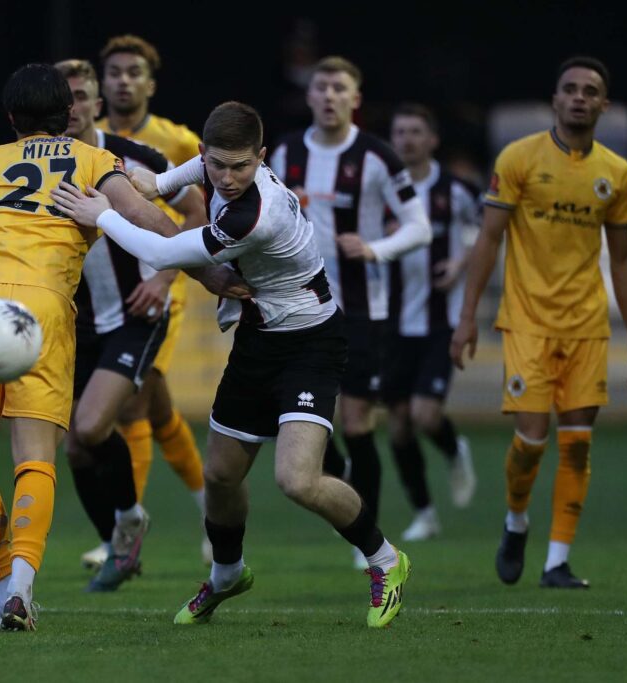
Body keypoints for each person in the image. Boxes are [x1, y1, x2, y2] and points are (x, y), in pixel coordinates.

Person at [0, 63, 242, 632]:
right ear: (69, 114)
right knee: (35, 456)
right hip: (42, 310)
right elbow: (151, 220)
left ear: (11, 118)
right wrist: (215, 277)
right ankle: (20, 591)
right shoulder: (92, 160)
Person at [53, 101, 415, 629]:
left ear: (261, 158)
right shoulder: (216, 167)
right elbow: (159, 186)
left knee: (297, 479)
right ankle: (227, 574)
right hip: (258, 339)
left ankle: (386, 560)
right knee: (220, 475)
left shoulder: (254, 215)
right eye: (217, 165)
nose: (226, 178)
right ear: (204, 153)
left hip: (310, 342)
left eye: (240, 166)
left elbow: (166, 252)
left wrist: (101, 214)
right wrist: (135, 180)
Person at [450, 56, 627, 588]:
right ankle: (516, 520)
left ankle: (557, 561)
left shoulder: (616, 172)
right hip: (528, 322)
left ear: (604, 105)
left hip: (587, 323)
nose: (580, 97)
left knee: (578, 442)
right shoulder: (519, 158)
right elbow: (489, 239)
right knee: (532, 442)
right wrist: (467, 318)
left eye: (591, 91)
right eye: (570, 89)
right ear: (556, 100)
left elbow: (624, 259)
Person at [269, 56, 432, 569]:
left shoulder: (378, 157)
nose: (330, 96)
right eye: (322, 87)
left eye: (340, 87)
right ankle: (339, 493)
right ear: (311, 96)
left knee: (359, 420)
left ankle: (370, 539)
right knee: (305, 422)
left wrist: (376, 249)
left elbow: (419, 227)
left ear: (355, 97)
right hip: (296, 305)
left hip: (362, 310)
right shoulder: (285, 151)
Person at [54, 59, 206, 591]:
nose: (70, 107)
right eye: (61, 97)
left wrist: (164, 279)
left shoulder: (137, 159)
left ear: (98, 103)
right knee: (76, 447)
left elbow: (197, 210)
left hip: (136, 314)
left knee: (94, 427)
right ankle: (124, 532)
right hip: (78, 324)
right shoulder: (39, 165)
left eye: (79, 95)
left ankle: (135, 527)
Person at [94, 34, 214, 566]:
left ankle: (123, 535)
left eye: (132, 71)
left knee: (133, 403)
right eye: (114, 71)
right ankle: (214, 508)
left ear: (150, 83)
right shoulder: (78, 137)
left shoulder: (176, 141)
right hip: (103, 292)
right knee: (159, 411)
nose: (122, 79)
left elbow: (201, 208)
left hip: (157, 286)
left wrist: (165, 276)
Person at [383, 103, 479, 541]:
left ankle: (454, 448)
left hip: (439, 322)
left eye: (415, 131)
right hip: (391, 324)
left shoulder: (455, 189)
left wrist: (460, 262)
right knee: (398, 425)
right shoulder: (380, 188)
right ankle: (425, 513)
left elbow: (488, 236)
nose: (406, 139)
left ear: (432, 140)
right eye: (400, 132)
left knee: (424, 416)